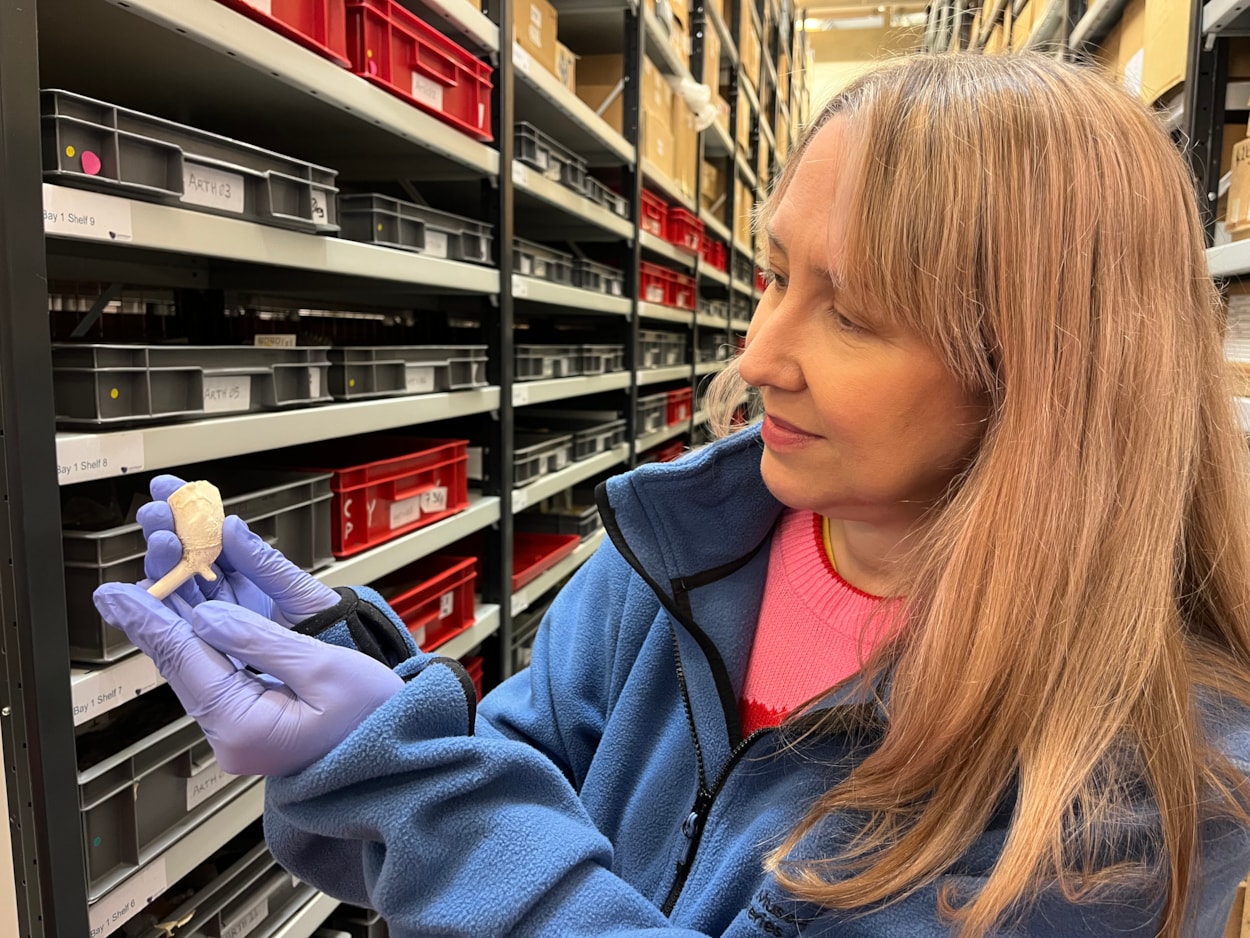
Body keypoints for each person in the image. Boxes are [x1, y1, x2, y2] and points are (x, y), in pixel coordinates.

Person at [92, 52, 1250, 936]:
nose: (756, 355)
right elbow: (487, 819)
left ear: (1042, 365)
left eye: (849, 312)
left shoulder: (1133, 792)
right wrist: (363, 709)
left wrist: (398, 773)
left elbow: (462, 833)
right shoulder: (686, 549)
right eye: (776, 275)